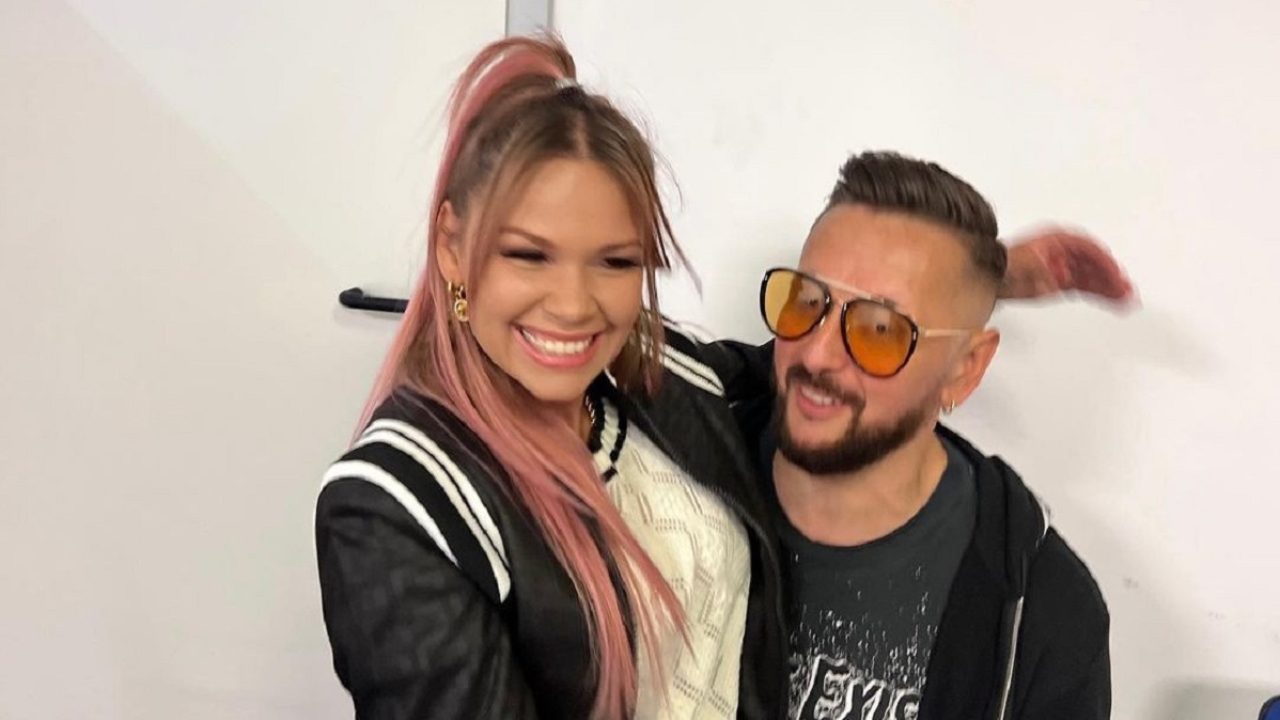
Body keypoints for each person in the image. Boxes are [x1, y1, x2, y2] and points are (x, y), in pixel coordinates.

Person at [316, 35, 1129, 720]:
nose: (571, 304)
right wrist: (917, 317)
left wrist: (977, 275)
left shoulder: (655, 384)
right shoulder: (396, 507)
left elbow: (814, 364)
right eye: (526, 254)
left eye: (615, 262)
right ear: (452, 248)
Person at [732, 151, 1111, 720]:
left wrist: (966, 280)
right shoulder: (681, 460)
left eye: (880, 328)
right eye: (807, 301)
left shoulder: (1047, 618)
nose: (815, 354)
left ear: (966, 368)